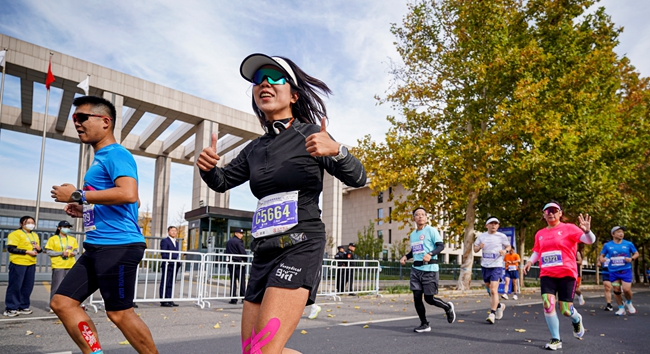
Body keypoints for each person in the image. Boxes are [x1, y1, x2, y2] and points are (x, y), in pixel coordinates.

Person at [197, 53, 366, 354]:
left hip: (300, 244)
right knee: (252, 352)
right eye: (258, 79)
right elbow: (222, 181)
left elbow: (358, 178)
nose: (264, 83)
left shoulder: (311, 134)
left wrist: (338, 151)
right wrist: (208, 168)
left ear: (294, 94)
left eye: (275, 77)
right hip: (263, 251)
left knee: (264, 351)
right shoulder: (254, 148)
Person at [50, 95, 157, 354]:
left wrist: (78, 195)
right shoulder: (100, 160)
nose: (77, 123)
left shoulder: (116, 154)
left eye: (82, 117)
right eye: (75, 118)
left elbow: (129, 193)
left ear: (105, 121)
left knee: (119, 313)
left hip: (118, 246)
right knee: (62, 303)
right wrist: (84, 209)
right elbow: (134, 202)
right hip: (97, 245)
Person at [523, 202, 595, 350]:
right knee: (548, 304)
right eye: (547, 211)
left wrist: (587, 231)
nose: (551, 213)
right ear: (543, 215)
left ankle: (576, 319)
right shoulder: (540, 234)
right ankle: (556, 339)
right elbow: (537, 251)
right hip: (547, 274)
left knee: (565, 310)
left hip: (567, 273)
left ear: (560, 213)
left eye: (554, 210)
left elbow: (589, 240)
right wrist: (530, 261)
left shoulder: (569, 228)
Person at [400, 207, 456, 333]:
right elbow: (415, 251)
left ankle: (447, 307)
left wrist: (430, 253)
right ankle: (424, 324)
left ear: (426, 218)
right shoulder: (413, 235)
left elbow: (440, 246)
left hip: (430, 269)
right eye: (417, 215)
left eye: (423, 214)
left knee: (429, 299)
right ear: (413, 218)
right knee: (417, 297)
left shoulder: (431, 230)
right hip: (416, 269)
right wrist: (406, 256)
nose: (420, 216)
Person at [473, 217, 510, 324]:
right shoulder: (482, 236)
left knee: (494, 290)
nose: (493, 225)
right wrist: (479, 247)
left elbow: (508, 246)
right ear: (487, 225)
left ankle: (492, 313)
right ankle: (499, 305)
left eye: (496, 224)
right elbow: (475, 249)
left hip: (497, 265)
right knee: (489, 289)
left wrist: (504, 250)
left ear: (498, 225)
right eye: (491, 223)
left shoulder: (501, 236)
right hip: (485, 266)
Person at [3, 216, 42, 317]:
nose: (31, 224)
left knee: (27, 286)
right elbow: (11, 249)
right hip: (18, 263)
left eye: (32, 222)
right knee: (15, 285)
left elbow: (37, 249)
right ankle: (11, 308)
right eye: (28, 222)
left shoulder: (35, 235)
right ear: (21, 224)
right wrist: (26, 252)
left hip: (31, 263)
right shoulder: (15, 234)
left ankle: (23, 305)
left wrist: (39, 249)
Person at [599, 226, 639, 316]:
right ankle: (621, 308)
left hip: (625, 271)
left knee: (626, 289)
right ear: (613, 234)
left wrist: (631, 258)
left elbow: (636, 253)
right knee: (616, 290)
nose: (621, 234)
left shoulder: (628, 244)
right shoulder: (608, 245)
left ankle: (628, 302)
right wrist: (602, 259)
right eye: (619, 232)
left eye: (622, 232)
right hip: (613, 272)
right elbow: (602, 255)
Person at [45, 220, 79, 313]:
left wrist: (73, 253)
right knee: (56, 286)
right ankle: (53, 305)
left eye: (68, 227)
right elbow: (49, 251)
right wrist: (61, 253)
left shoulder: (72, 239)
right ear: (59, 228)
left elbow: (76, 251)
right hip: (58, 265)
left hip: (70, 265)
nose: (67, 229)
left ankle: (68, 304)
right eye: (65, 227)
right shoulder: (53, 239)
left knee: (70, 286)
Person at [160, 226, 181, 307]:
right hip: (168, 264)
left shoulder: (176, 242)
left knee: (171, 282)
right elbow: (163, 253)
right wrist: (171, 259)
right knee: (165, 281)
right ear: (168, 232)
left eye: (175, 231)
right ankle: (163, 300)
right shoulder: (165, 241)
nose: (174, 232)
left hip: (175, 265)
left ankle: (169, 299)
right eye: (172, 231)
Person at [226, 228, 247, 304]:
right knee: (241, 281)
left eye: (242, 233)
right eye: (240, 233)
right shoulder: (238, 242)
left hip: (231, 263)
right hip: (239, 263)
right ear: (236, 233)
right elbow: (243, 253)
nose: (241, 235)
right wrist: (245, 259)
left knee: (233, 281)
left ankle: (233, 299)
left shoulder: (229, 242)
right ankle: (243, 297)